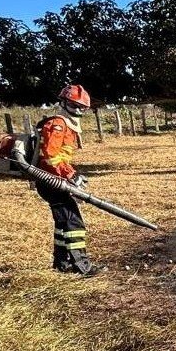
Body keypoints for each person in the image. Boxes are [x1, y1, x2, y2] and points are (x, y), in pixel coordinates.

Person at [36, 84, 98, 276]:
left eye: (82, 108)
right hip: (50, 181)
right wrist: (70, 175)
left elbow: (59, 158)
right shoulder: (58, 124)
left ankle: (62, 263)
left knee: (63, 221)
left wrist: (71, 174)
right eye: (74, 105)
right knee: (73, 222)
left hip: (53, 179)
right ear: (63, 103)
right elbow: (50, 156)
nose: (78, 110)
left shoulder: (66, 125)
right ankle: (82, 266)